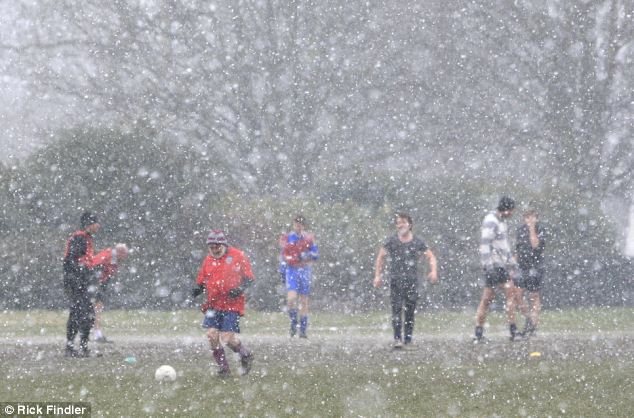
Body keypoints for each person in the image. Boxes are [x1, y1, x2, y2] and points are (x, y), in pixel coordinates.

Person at [191, 229, 255, 377]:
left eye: (217, 246)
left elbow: (249, 278)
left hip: (232, 303)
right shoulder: (208, 260)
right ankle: (224, 369)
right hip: (214, 304)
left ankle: (245, 355)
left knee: (227, 338)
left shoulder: (238, 256)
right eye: (211, 247)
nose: (214, 250)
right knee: (212, 335)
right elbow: (202, 279)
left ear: (223, 245)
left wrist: (239, 289)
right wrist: (198, 289)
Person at [373, 213, 438, 349]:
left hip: (411, 281)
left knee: (410, 311)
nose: (400, 225)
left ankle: (408, 339)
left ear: (410, 224)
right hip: (396, 281)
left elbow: (431, 256)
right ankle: (397, 339)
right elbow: (380, 257)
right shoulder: (391, 241)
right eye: (398, 223)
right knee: (396, 310)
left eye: (403, 222)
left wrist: (433, 271)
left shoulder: (417, 242)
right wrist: (377, 276)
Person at [63, 212, 120, 357]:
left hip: (81, 282)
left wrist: (92, 271)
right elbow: (71, 260)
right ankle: (73, 347)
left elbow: (84, 262)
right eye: (96, 222)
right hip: (77, 283)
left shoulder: (86, 238)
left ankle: (81, 347)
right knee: (81, 313)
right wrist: (81, 275)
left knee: (84, 313)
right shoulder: (79, 237)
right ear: (89, 224)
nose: (98, 225)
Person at [473, 196, 519, 343]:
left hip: (500, 265)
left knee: (509, 295)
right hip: (493, 265)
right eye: (511, 210)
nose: (512, 213)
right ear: (506, 209)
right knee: (487, 299)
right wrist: (488, 266)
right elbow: (485, 243)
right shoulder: (491, 221)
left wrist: (510, 262)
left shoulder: (501, 222)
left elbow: (502, 246)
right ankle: (479, 333)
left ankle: (512, 330)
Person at [279, 215, 319, 338]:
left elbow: (315, 254)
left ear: (303, 225)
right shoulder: (287, 238)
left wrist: (306, 255)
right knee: (291, 299)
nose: (298, 226)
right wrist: (283, 268)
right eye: (296, 224)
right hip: (292, 271)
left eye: (301, 224)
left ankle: (303, 329)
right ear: (293, 224)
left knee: (304, 301)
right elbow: (284, 255)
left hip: (304, 271)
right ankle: (293, 321)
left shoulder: (308, 238)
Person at [514, 209, 546, 336]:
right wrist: (512, 264)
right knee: (518, 295)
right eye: (527, 218)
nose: (530, 220)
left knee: (534, 296)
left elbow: (535, 245)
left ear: (536, 218)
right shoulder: (520, 230)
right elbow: (517, 248)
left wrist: (532, 228)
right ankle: (528, 320)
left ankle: (533, 327)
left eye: (532, 217)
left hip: (535, 266)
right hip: (522, 266)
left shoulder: (540, 229)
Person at [92, 243, 129, 343]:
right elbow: (94, 267)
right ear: (119, 252)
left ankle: (97, 334)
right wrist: (96, 285)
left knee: (98, 307)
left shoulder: (113, 258)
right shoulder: (107, 256)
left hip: (100, 284)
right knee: (95, 308)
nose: (125, 257)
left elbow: (107, 275)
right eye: (124, 254)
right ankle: (94, 334)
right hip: (94, 284)